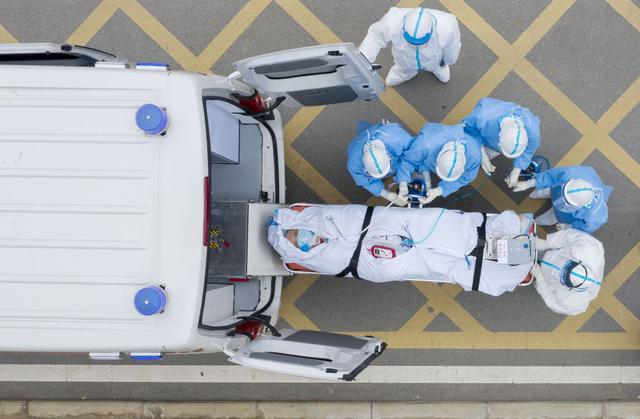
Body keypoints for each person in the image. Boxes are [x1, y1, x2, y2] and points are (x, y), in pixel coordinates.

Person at [268, 205, 535, 297]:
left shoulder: (325, 221)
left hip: (398, 231)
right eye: (301, 244)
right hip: (386, 260)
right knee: (446, 262)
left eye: (301, 234)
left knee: (451, 234)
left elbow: (347, 220)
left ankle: (518, 255)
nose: (308, 240)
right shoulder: (318, 257)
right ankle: (515, 261)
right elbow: (338, 259)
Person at [359, 7, 461, 86]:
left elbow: (453, 46)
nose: (415, 45)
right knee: (405, 66)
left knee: (437, 65)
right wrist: (364, 59)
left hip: (435, 58)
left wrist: (448, 60)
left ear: (432, 31)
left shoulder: (448, 26)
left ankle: (439, 69)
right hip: (405, 57)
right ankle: (403, 74)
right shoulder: (393, 20)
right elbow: (375, 37)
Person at [461, 97, 541, 188]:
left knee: (485, 154)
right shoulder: (483, 115)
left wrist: (517, 170)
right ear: (499, 137)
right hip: (482, 136)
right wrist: (481, 152)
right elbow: (468, 129)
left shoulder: (533, 131)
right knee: (471, 151)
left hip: (494, 142)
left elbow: (529, 150)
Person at [396, 123, 481, 204]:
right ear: (436, 162)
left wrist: (438, 191)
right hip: (433, 136)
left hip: (456, 136)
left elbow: (465, 178)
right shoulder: (424, 144)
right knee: (416, 160)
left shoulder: (475, 156)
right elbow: (407, 161)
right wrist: (403, 183)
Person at [513, 165, 612, 233]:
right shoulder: (570, 174)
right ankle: (544, 195)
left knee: (550, 218)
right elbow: (550, 176)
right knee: (547, 190)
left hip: (563, 215)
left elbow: (586, 227)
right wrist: (528, 184)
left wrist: (568, 226)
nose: (561, 201)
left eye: (567, 201)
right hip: (556, 190)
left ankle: (538, 221)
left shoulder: (596, 215)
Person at [531, 228, 605, 315]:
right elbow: (569, 236)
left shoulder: (573, 303)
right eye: (566, 266)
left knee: (541, 284)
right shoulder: (588, 249)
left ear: (570, 288)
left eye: (562, 277)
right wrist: (546, 244)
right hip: (554, 254)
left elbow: (551, 300)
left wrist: (540, 280)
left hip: (548, 278)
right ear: (578, 262)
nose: (559, 271)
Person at [347, 120, 415, 206]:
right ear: (365, 168)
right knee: (363, 133)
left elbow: (412, 153)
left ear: (388, 156)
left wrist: (403, 181)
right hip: (359, 142)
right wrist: (387, 195)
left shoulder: (396, 137)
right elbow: (365, 181)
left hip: (386, 134)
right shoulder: (354, 163)